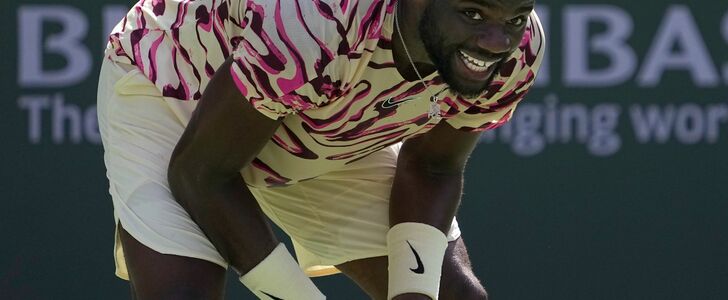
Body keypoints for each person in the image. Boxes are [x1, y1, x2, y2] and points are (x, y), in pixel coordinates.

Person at [97, 0, 544, 298]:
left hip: (318, 122)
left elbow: (432, 166)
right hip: (179, 91)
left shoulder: (517, 52)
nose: (496, 41)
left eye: (514, 18)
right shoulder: (320, 20)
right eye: (471, 13)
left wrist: (413, 294)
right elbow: (201, 173)